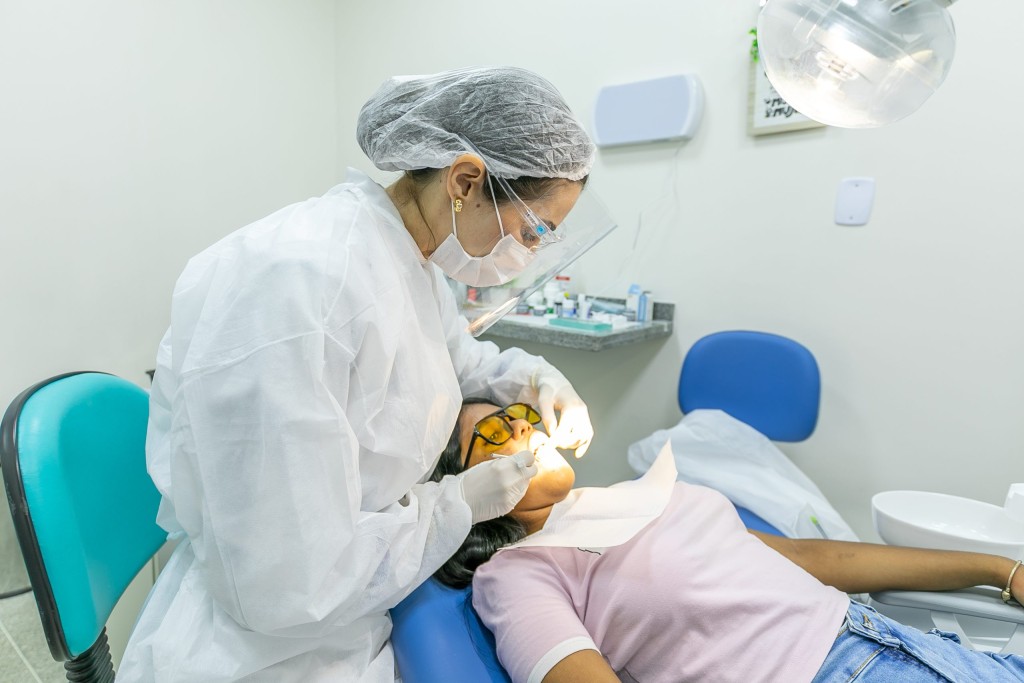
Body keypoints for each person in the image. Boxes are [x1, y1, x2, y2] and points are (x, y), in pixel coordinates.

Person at [118, 67, 599, 682]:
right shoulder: (302, 285)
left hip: (355, 615)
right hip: (265, 654)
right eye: (533, 231)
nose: (528, 254)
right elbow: (286, 584)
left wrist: (536, 380)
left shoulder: (408, 260)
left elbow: (460, 363)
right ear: (464, 181)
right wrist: (456, 504)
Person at [431, 400, 1024, 683]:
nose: (522, 426)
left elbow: (813, 559)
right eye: (493, 432)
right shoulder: (517, 572)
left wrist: (1001, 570)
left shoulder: (625, 496)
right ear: (460, 484)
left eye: (518, 413)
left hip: (899, 644)